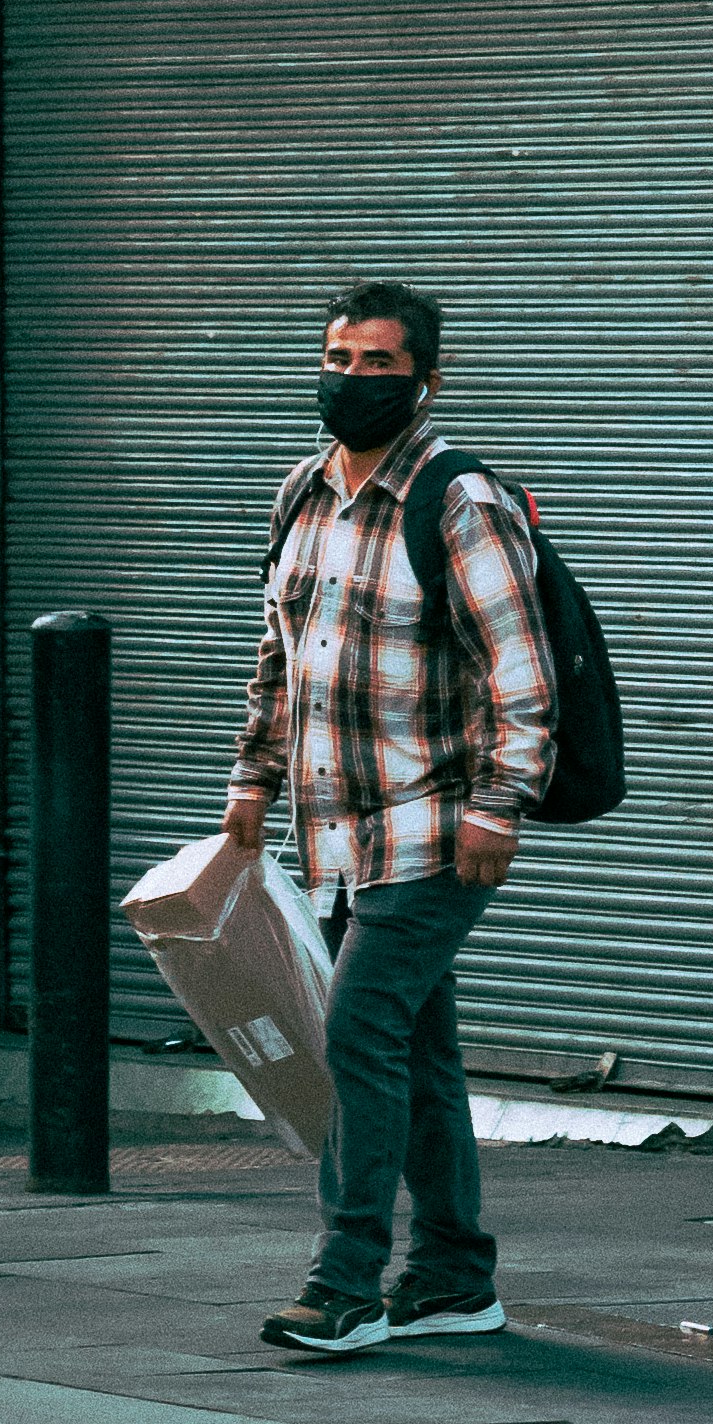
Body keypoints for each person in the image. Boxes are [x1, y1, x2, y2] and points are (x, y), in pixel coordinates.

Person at [224, 281, 556, 1355]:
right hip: (332, 835)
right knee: (414, 1049)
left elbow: (520, 670)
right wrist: (250, 785)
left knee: (358, 1032)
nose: (353, 379)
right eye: (339, 357)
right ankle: (456, 1276)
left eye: (378, 363)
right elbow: (280, 656)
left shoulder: (457, 499)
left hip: (434, 825)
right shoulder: (303, 495)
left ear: (426, 379)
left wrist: (500, 806)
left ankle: (347, 1282)